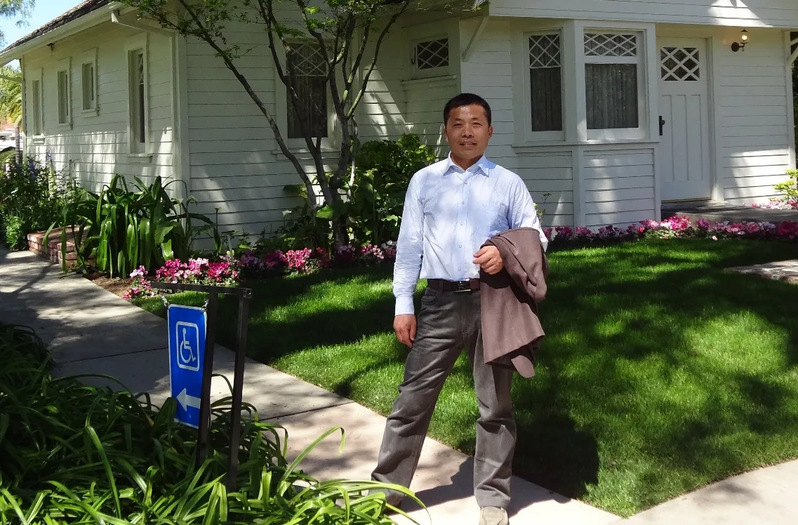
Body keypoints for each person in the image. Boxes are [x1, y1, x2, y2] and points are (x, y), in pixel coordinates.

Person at [371, 93, 548, 525]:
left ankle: (493, 500)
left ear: (490, 131)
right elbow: (409, 247)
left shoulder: (508, 183)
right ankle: (386, 492)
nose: (467, 132)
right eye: (458, 124)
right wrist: (403, 304)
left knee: (495, 406)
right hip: (440, 302)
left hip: (495, 303)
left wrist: (503, 254)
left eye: (476, 124)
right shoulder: (425, 181)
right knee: (412, 400)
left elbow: (536, 238)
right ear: (446, 130)